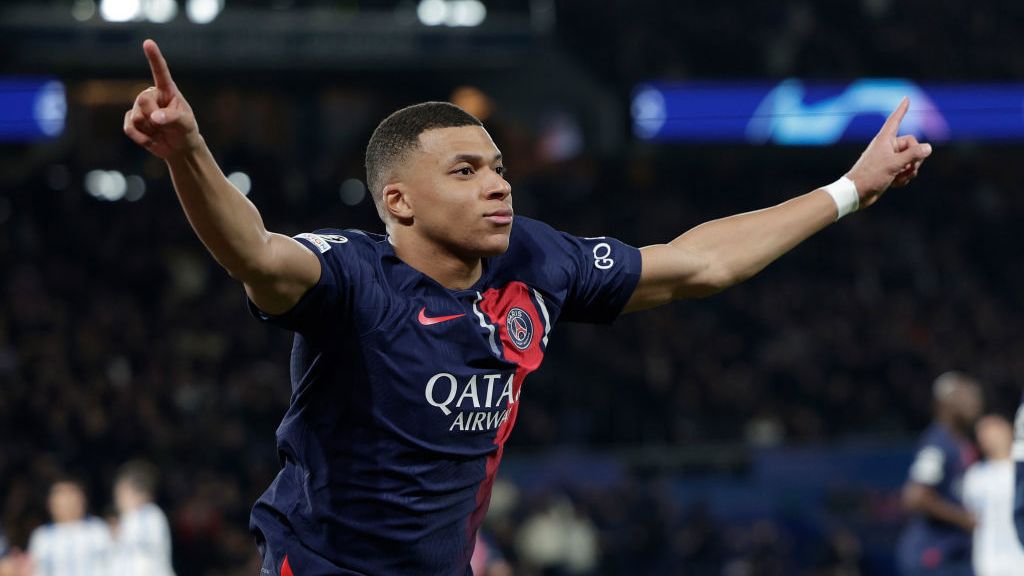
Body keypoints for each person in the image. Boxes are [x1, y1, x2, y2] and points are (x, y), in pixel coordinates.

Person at [122, 38, 932, 575]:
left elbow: (699, 264)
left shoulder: (537, 261)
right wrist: (189, 150)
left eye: (500, 165)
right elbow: (254, 252)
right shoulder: (352, 280)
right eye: (467, 170)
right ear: (398, 201)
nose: (499, 183)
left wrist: (850, 190)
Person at [897, 372, 983, 576]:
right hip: (933, 555)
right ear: (946, 402)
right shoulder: (937, 444)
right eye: (965, 396)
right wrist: (964, 520)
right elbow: (915, 496)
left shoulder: (963, 441)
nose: (976, 401)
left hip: (956, 552)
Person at [962, 415, 1024, 576]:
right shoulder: (974, 476)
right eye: (984, 432)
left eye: (996, 429)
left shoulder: (1020, 471)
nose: (992, 436)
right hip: (989, 563)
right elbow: (971, 516)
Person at [27, 478, 111, 576]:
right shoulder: (42, 537)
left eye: (71, 496)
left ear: (82, 500)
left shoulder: (97, 529)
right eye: (61, 497)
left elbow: (111, 565)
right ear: (51, 504)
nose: (67, 503)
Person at [110, 460, 176, 576]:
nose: (117, 499)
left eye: (119, 492)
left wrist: (115, 534)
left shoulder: (148, 515)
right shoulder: (132, 518)